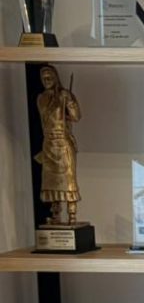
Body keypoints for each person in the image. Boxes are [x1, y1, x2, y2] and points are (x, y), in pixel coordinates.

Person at [35, 65, 81, 225]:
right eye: (43, 79)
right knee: (52, 182)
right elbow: (44, 122)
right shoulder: (41, 98)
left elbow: (76, 117)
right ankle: (55, 214)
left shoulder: (63, 95)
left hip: (63, 143)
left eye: (49, 77)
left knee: (69, 181)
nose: (46, 81)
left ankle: (72, 215)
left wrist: (70, 103)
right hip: (49, 143)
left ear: (55, 78)